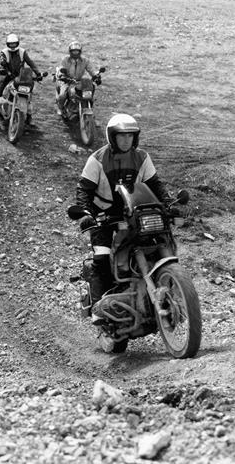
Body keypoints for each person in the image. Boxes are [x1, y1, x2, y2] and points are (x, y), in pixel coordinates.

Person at [74, 114, 173, 324]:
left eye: (130, 135)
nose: (126, 140)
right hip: (103, 217)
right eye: (122, 136)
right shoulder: (97, 159)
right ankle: (99, 308)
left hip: (135, 214)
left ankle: (169, 289)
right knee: (102, 256)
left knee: (160, 241)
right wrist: (86, 214)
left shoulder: (142, 157)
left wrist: (169, 205)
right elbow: (83, 190)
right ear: (112, 137)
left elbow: (156, 185)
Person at [0, 33, 43, 129]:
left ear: (17, 43)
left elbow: (31, 63)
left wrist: (38, 73)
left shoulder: (22, 52)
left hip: (21, 77)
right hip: (8, 76)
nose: (13, 46)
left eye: (14, 43)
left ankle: (29, 118)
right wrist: (2, 67)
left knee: (28, 95)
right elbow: (0, 62)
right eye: (11, 44)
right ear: (7, 44)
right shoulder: (4, 52)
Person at [55, 41, 102, 117]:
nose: (75, 53)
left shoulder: (85, 60)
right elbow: (61, 69)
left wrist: (96, 75)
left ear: (80, 51)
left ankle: (89, 104)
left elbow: (91, 70)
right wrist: (62, 75)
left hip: (78, 81)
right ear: (70, 52)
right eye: (73, 51)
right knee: (63, 95)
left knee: (91, 87)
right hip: (67, 80)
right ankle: (60, 107)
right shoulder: (65, 60)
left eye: (77, 51)